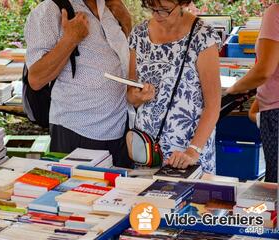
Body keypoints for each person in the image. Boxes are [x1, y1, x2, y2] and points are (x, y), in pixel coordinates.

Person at [24, 0, 133, 167]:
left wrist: (126, 23)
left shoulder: (110, 7)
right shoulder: (50, 10)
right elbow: (36, 78)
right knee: (79, 192)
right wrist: (70, 39)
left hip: (119, 127)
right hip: (78, 130)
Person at [127, 0, 221, 173]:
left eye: (165, 10)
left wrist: (193, 151)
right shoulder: (138, 34)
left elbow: (213, 105)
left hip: (189, 152)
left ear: (182, 3)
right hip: (148, 151)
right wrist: (137, 97)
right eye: (151, 8)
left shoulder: (202, 35)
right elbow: (130, 94)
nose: (157, 15)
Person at [227, 3, 279, 182]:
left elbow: (264, 71)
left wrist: (233, 89)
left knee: (275, 185)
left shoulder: (275, 12)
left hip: (275, 114)